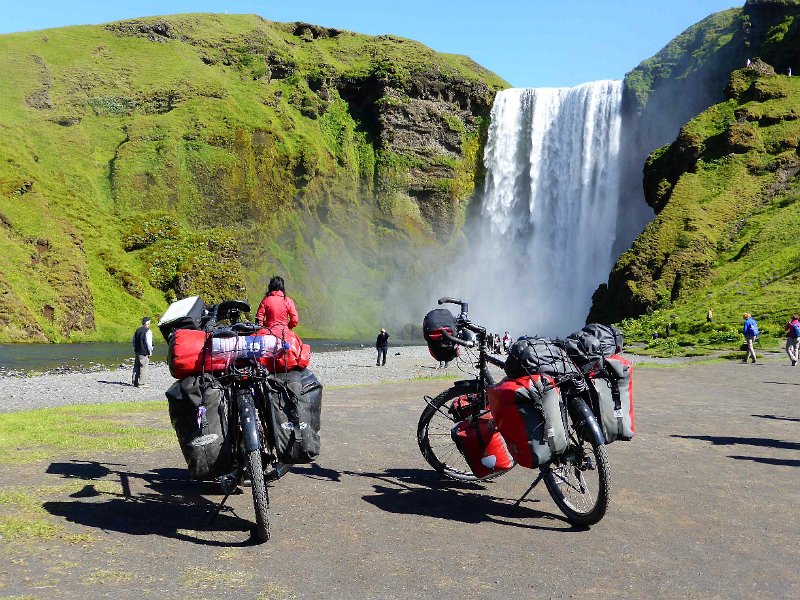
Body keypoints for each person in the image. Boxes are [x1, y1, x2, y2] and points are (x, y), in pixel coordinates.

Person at [132, 317, 153, 388]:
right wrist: (150, 351)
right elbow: (149, 343)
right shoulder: (148, 331)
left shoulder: (137, 330)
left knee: (136, 366)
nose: (150, 324)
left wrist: (135, 348)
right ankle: (141, 383)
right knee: (143, 367)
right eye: (149, 323)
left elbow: (133, 341)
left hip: (137, 351)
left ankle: (134, 382)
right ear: (147, 323)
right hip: (144, 352)